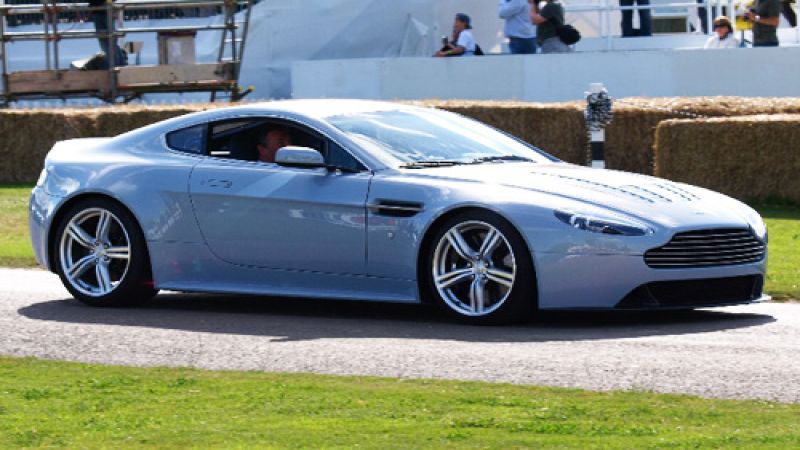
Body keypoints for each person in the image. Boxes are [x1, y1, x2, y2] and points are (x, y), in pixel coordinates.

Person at [88, 0, 127, 68]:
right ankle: (121, 67)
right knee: (111, 44)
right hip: (103, 10)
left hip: (102, 10)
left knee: (108, 45)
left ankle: (115, 69)